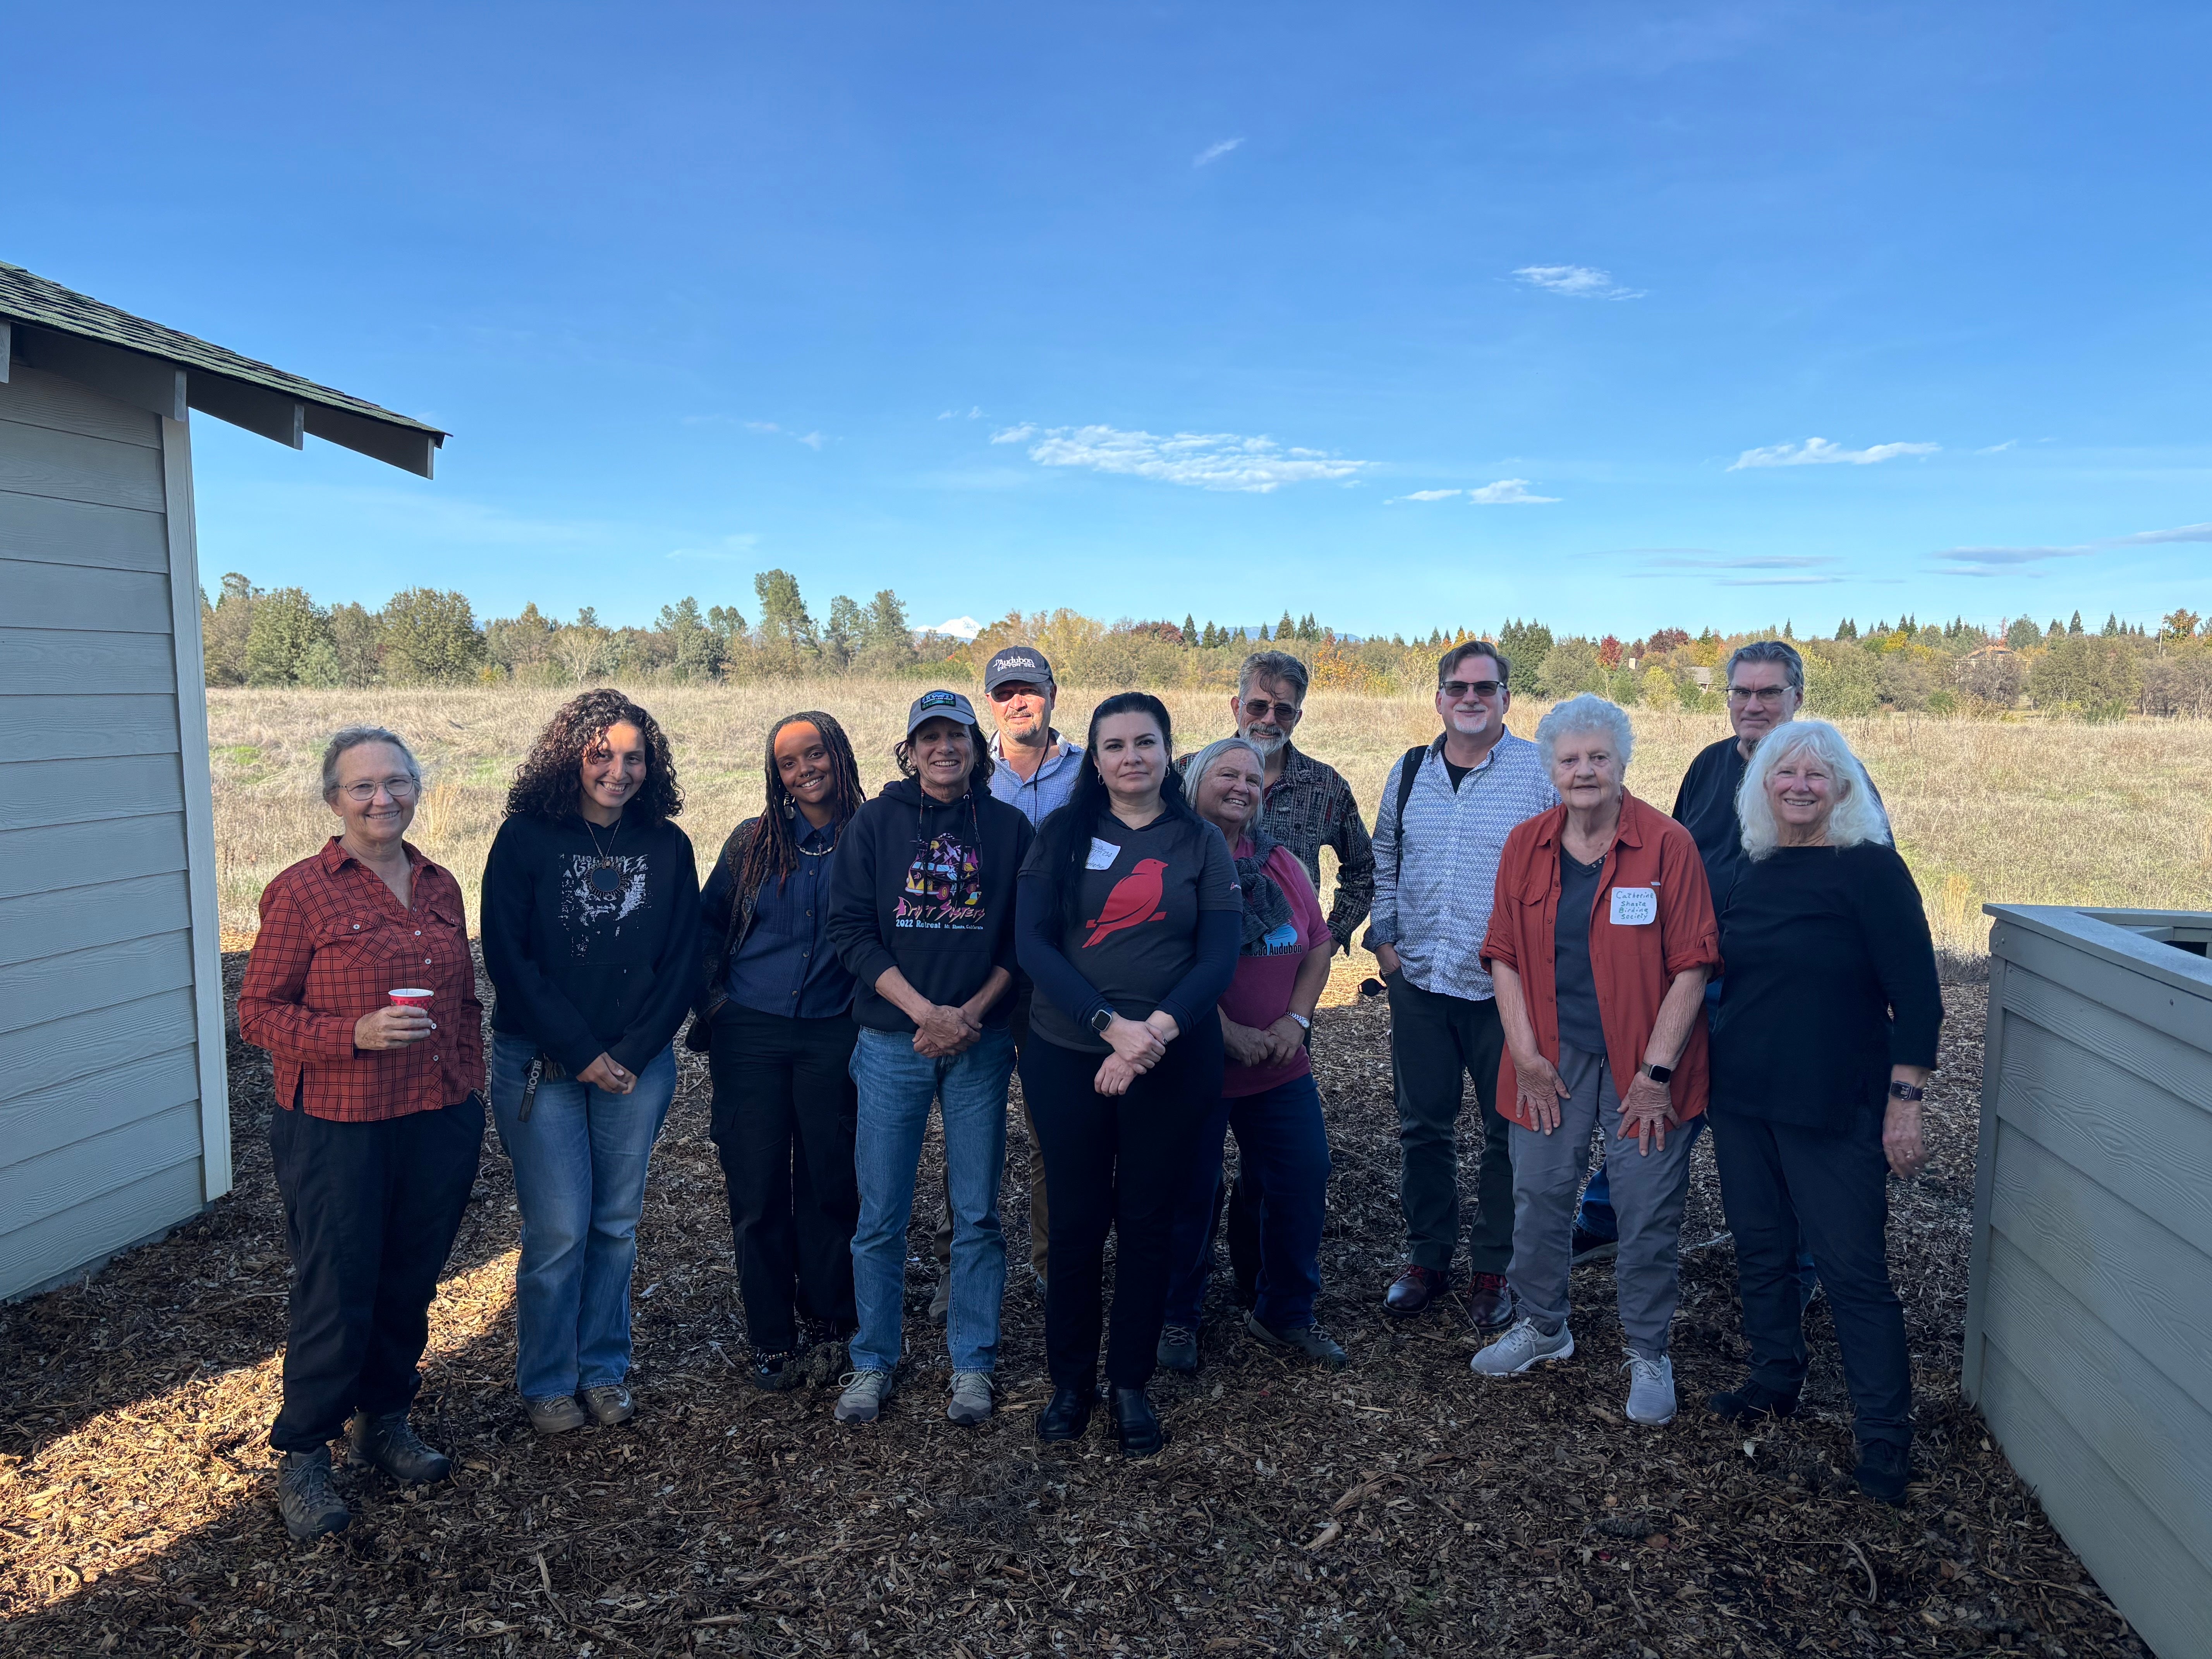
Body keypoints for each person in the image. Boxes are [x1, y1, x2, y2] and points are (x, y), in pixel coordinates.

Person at [238, 727, 485, 1540]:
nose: (384, 798)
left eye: (397, 782)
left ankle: (383, 1420)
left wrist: (469, 1087)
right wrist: (353, 1032)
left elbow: (464, 1001)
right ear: (334, 799)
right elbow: (257, 1012)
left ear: (416, 788)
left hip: (435, 1114)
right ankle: (304, 1450)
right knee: (336, 1287)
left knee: (410, 1278)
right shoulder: (301, 891)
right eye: (363, 786)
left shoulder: (440, 883)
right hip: (337, 1123)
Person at [1705, 719, 1941, 1504]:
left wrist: (1904, 1102)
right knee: (1761, 1248)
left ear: (1842, 786)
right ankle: (1775, 1376)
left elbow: (1918, 996)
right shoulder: (1753, 868)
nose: (1799, 785)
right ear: (1762, 785)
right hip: (1744, 1097)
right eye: (1785, 772)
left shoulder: (1870, 869)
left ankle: (1883, 1435)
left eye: (1816, 774)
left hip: (1834, 1102)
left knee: (1852, 1271)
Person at [1469, 697, 1720, 1425]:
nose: (1584, 771)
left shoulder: (1667, 845)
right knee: (1540, 1193)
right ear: (1550, 768)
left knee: (1645, 1207)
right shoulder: (1526, 844)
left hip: (1646, 1062)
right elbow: (1503, 954)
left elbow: (1694, 965)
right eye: (1570, 759)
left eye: (1598, 757)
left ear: (1622, 763)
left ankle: (1648, 1350)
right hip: (1550, 1055)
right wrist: (1525, 1055)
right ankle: (1543, 1324)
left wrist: (1656, 1074)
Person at [1016, 692, 1240, 1456]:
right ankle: (1070, 1382)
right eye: (1114, 745)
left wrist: (1155, 1034)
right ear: (1097, 758)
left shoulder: (1199, 841)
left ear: (1168, 751)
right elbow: (1034, 944)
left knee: (1149, 1221)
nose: (1131, 757)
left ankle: (1130, 1383)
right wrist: (1110, 1027)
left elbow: (1218, 956)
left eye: (1145, 742)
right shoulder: (1061, 833)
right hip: (1067, 1053)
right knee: (1075, 1221)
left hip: (1173, 1060)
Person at [1573, 640, 1826, 1300]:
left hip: (1774, 993)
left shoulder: (1821, 774)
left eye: (1768, 693)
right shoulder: (1710, 766)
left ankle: (1792, 1271)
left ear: (1797, 698)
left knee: (1775, 1133)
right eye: (1741, 691)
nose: (1753, 705)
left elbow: (1866, 875)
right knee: (1655, 1099)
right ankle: (1604, 1217)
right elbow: (1671, 858)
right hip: (1693, 977)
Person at [481, 692, 700, 1436]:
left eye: (634, 756)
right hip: (542, 1063)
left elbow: (684, 959)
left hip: (636, 1066)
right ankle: (548, 1378)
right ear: (569, 756)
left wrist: (630, 1052)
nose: (618, 770)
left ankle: (603, 1367)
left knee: (614, 1223)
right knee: (559, 1230)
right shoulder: (525, 839)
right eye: (601, 754)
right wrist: (580, 1052)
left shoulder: (667, 845)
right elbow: (509, 957)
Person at [826, 690, 1034, 1428]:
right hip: (893, 1041)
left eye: (957, 735)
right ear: (910, 751)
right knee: (881, 1213)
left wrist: (969, 1015)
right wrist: (925, 1013)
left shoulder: (1008, 829)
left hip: (980, 1043)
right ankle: (872, 1359)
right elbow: (851, 931)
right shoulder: (874, 824)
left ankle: (972, 1362)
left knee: (976, 1211)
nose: (944, 747)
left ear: (977, 747)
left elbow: (1022, 939)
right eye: (929, 736)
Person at [1365, 641, 1558, 1327]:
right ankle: (1427, 1255)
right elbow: (1384, 854)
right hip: (1419, 978)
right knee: (1423, 1125)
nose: (1470, 698)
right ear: (1439, 698)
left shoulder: (1541, 771)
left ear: (1506, 697)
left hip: (1505, 990)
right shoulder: (1409, 770)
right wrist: (1386, 944)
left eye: (1484, 687)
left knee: (1510, 1131)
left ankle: (1494, 1266)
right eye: (1458, 687)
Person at [1157, 738, 1342, 1374]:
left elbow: (1317, 944)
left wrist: (1297, 1019)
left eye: (1252, 779)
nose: (1242, 786)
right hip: (1196, 1061)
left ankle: (1284, 1311)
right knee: (1190, 1192)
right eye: (1227, 775)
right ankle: (1176, 1314)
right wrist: (1224, 1030)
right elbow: (1159, 959)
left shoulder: (1279, 861)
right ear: (1194, 782)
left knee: (1301, 1177)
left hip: (1279, 1063)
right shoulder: (1173, 857)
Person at [696, 712, 867, 1392]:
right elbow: (706, 927)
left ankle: (830, 1317)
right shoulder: (753, 842)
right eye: (788, 763)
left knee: (830, 1179)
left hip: (835, 1029)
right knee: (757, 1184)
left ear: (839, 754)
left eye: (814, 754)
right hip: (750, 1034)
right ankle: (771, 1334)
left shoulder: (871, 836)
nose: (804, 770)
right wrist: (714, 1006)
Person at [917, 643, 1084, 1321]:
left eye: (1030, 689)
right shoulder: (961, 768)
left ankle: (1052, 1265)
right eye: (1005, 693)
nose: (1019, 702)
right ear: (989, 703)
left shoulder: (1089, 770)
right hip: (979, 975)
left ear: (1052, 693)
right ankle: (958, 1267)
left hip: (1061, 976)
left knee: (1053, 1126)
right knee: (967, 1133)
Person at [1230, 649, 1376, 953]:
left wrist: (1329, 938)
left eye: (1283, 711)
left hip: (1292, 962)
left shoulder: (1325, 786)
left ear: (1297, 718)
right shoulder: (1190, 775)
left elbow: (1363, 868)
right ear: (1236, 707)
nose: (1269, 719)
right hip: (1200, 959)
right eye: (1258, 706)